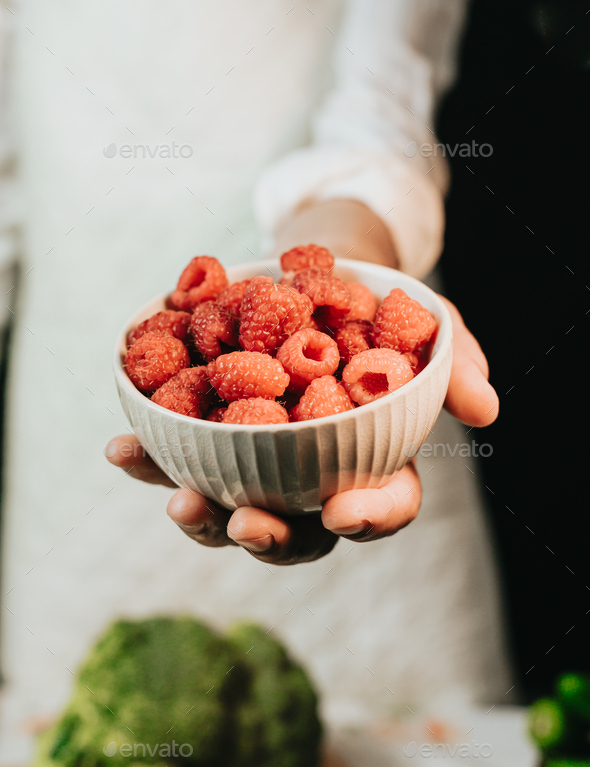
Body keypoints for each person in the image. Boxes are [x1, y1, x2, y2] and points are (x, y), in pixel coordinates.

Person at [0, 1, 512, 762]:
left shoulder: (324, 341)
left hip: (351, 422)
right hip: (76, 385)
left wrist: (347, 249)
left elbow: (382, 105)